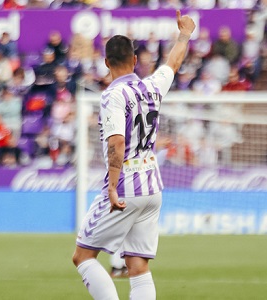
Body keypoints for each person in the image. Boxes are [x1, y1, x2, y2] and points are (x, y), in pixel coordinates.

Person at [71, 10, 196, 300]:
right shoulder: (152, 86)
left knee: (82, 256)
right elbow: (173, 63)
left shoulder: (112, 96)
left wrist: (112, 188)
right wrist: (185, 34)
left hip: (126, 185)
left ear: (106, 63)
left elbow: (116, 142)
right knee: (138, 265)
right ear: (135, 60)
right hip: (153, 185)